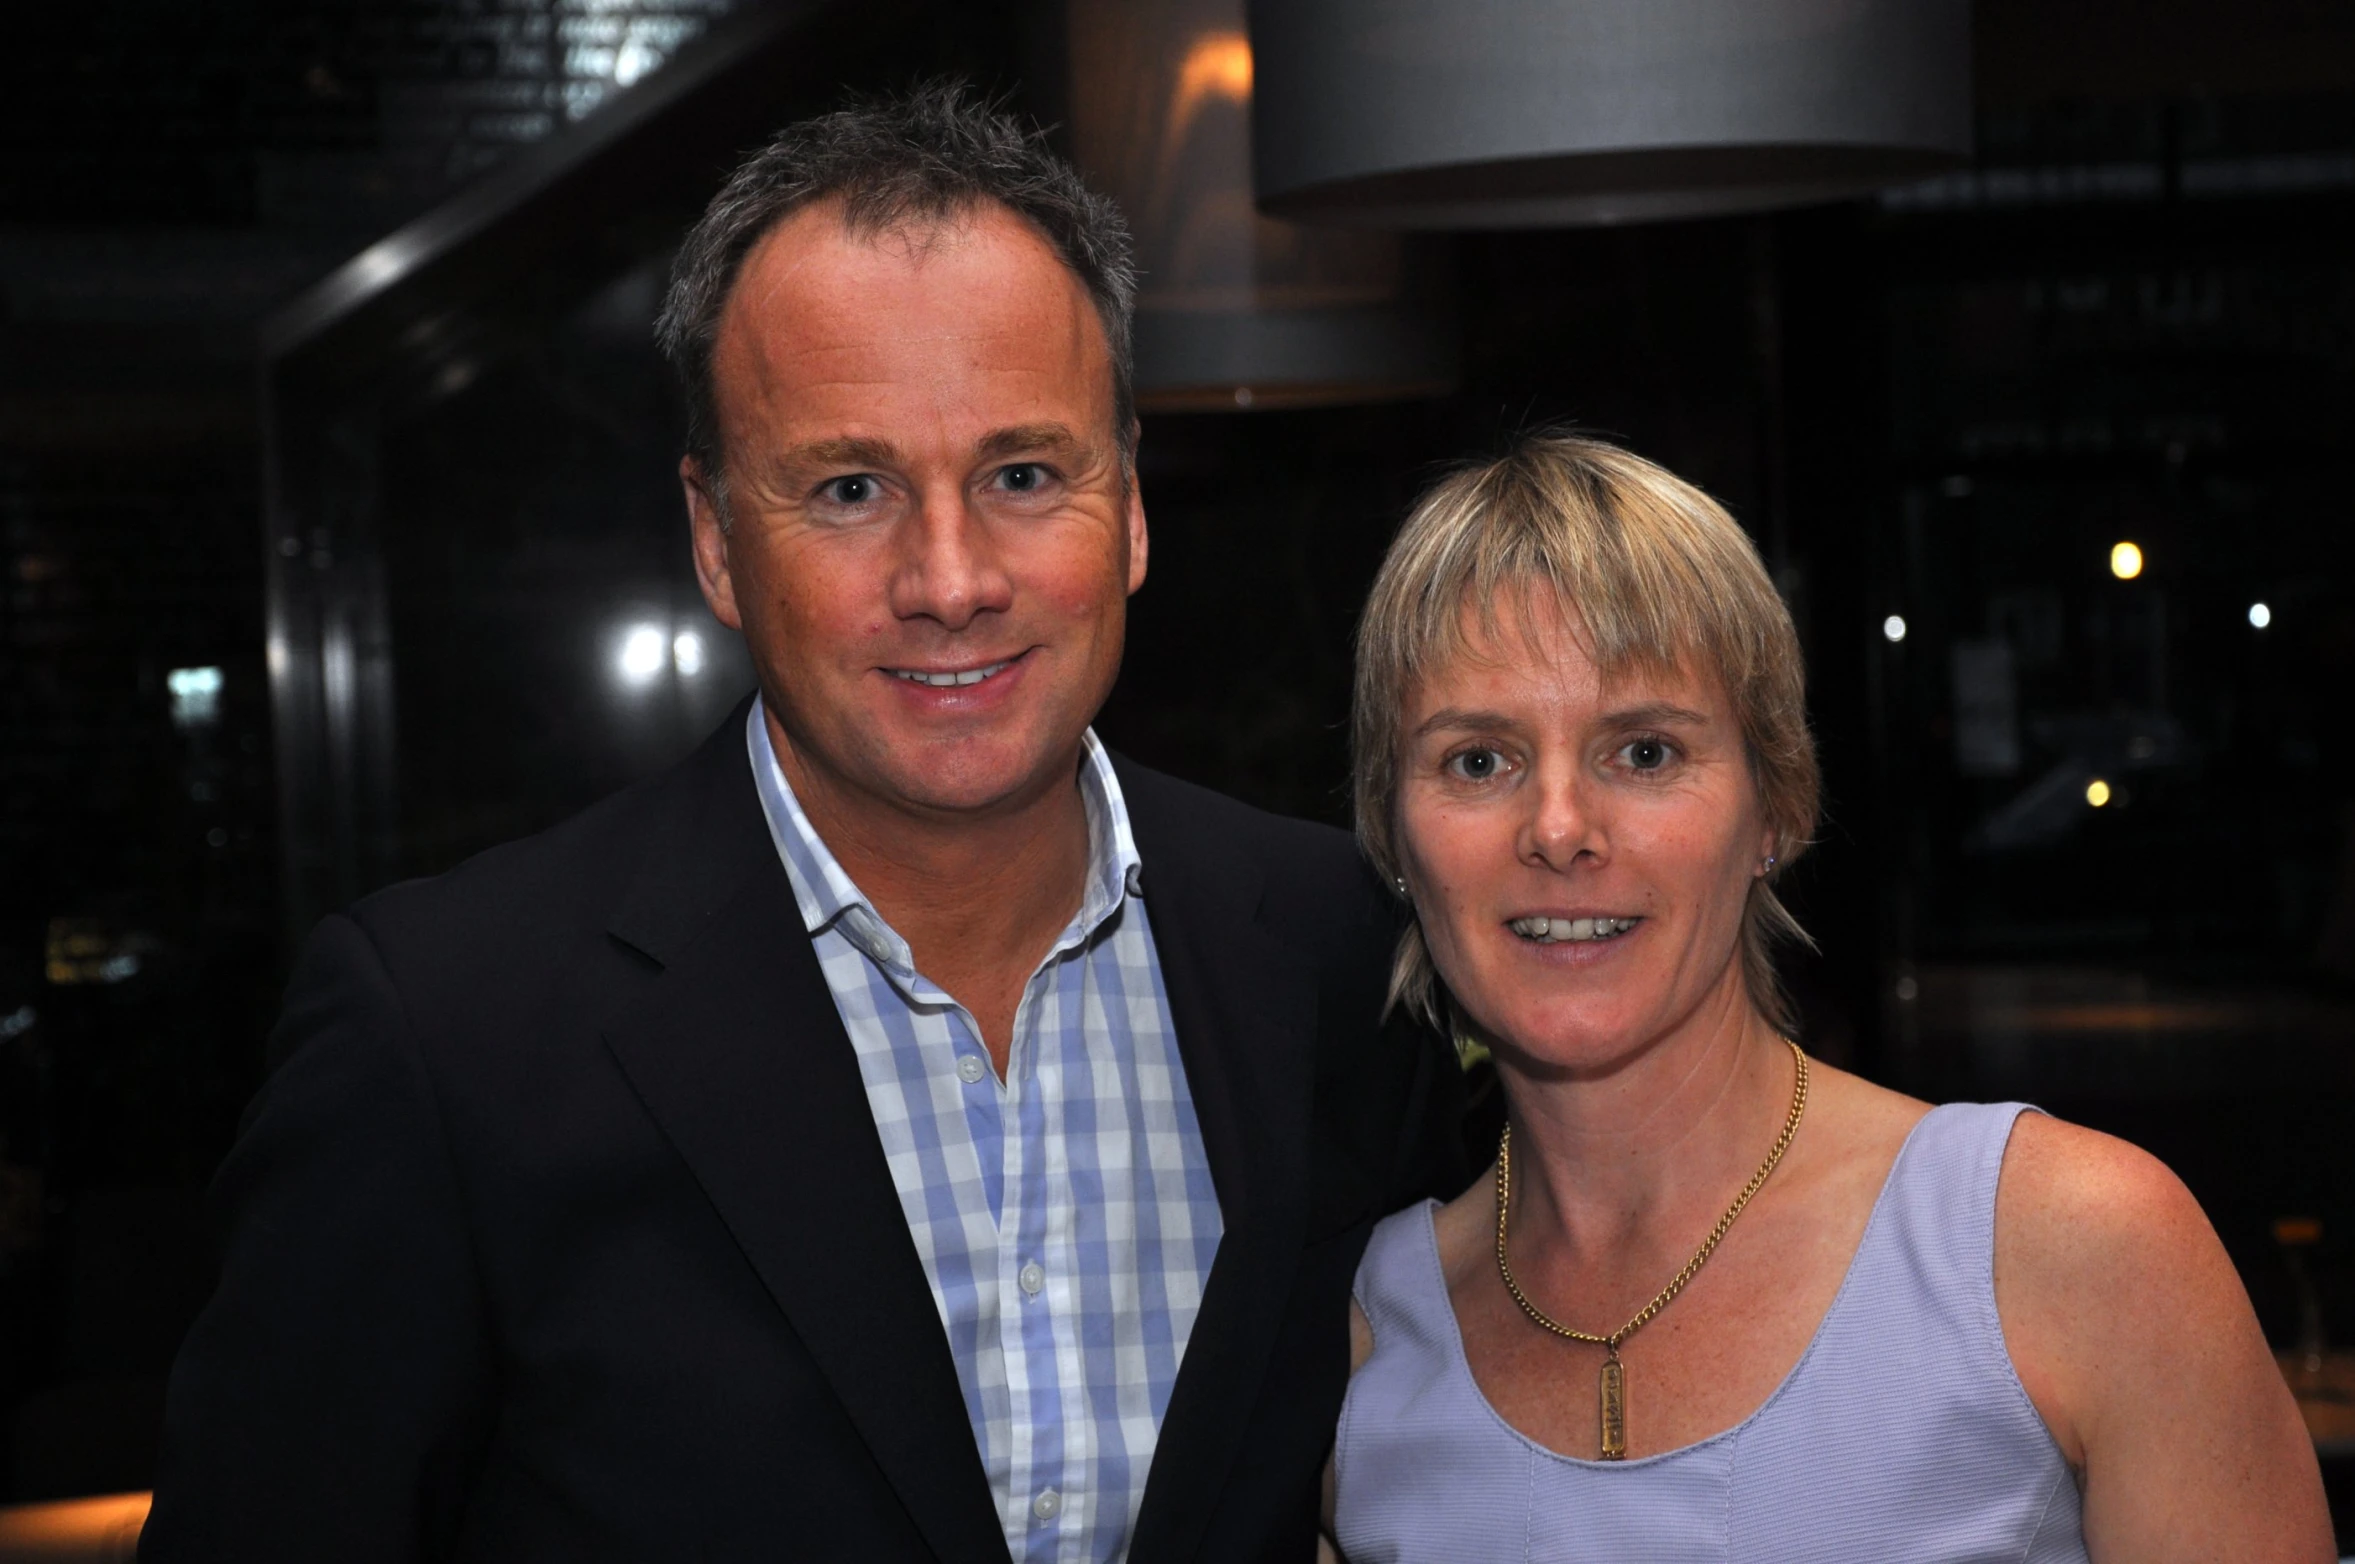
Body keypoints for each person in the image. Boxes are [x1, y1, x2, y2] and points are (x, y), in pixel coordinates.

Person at [141, 84, 1464, 1564]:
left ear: (1132, 505)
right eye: (848, 488)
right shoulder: (448, 1038)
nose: (950, 577)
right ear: (715, 541)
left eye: (1024, 475)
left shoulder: (1340, 959)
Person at [1320, 431, 2333, 1563]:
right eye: (1477, 760)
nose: (1559, 830)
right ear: (1392, 835)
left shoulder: (2066, 1247)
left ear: (1778, 810)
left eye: (1645, 752)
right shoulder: (1366, 1335)